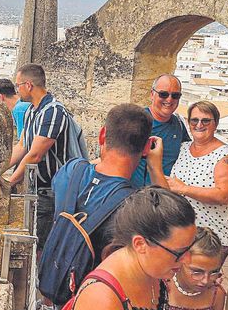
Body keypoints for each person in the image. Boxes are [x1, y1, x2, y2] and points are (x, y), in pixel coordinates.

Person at [67, 187, 216, 310]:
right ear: (140, 244)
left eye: (189, 249)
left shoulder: (154, 270)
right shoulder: (102, 300)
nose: (186, 260)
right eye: (179, 253)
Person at [7, 64, 86, 310]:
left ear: (29, 85)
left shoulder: (53, 112)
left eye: (18, 85)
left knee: (49, 249)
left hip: (54, 193)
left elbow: (35, 154)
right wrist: (0, 170)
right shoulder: (31, 112)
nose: (17, 90)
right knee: (40, 245)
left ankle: (51, 304)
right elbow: (22, 146)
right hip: (38, 191)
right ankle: (46, 299)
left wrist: (10, 181)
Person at [51, 103, 166, 262]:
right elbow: (169, 225)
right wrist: (156, 169)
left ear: (102, 135)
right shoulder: (135, 207)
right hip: (98, 283)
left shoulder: (71, 170)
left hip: (56, 273)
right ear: (146, 148)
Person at [163, 101, 228, 262]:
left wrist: (184, 189)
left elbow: (223, 195)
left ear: (215, 124)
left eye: (205, 121)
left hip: (211, 239)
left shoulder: (225, 156)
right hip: (183, 236)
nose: (199, 125)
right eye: (194, 120)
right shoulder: (183, 148)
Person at [131, 74, 190, 188]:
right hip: (137, 196)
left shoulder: (179, 124)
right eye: (163, 94)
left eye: (175, 95)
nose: (169, 99)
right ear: (152, 94)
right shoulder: (136, 121)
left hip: (165, 197)